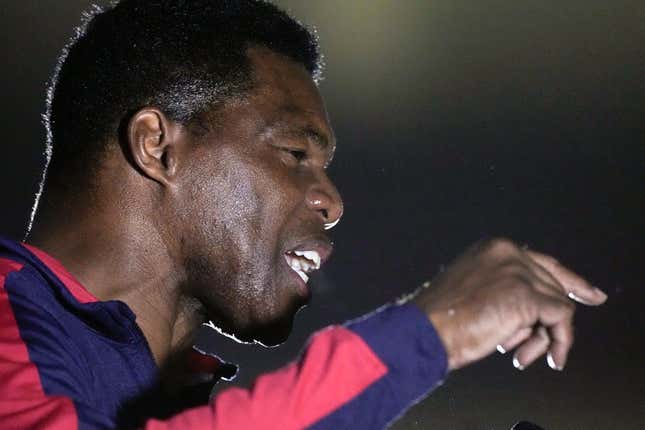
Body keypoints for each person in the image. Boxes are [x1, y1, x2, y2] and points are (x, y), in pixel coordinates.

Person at [0, 1, 607, 429]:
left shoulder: (163, 396)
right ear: (158, 147)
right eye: (294, 152)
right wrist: (433, 331)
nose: (332, 202)